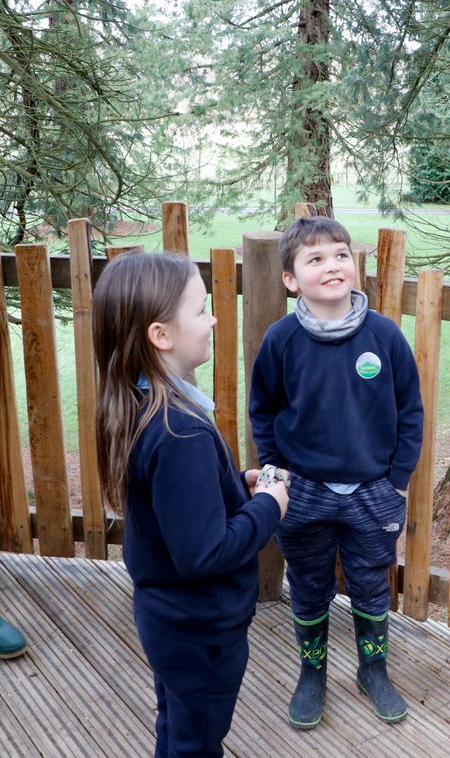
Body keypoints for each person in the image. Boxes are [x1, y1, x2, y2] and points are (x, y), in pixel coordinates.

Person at [93, 252, 289, 758]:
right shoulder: (179, 432)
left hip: (168, 618)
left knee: (178, 724)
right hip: (202, 631)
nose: (214, 318)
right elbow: (203, 554)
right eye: (202, 310)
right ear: (161, 335)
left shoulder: (143, 403)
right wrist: (268, 504)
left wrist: (233, 487)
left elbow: (177, 509)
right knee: (197, 741)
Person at [249, 216, 423, 728]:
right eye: (315, 258)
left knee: (371, 582)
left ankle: (373, 669)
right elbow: (264, 409)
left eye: (341, 254)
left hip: (373, 490)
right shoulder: (281, 341)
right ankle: (312, 672)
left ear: (355, 264)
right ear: (290, 279)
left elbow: (409, 410)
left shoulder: (384, 337)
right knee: (308, 582)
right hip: (304, 493)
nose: (332, 266)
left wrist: (396, 479)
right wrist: (278, 474)